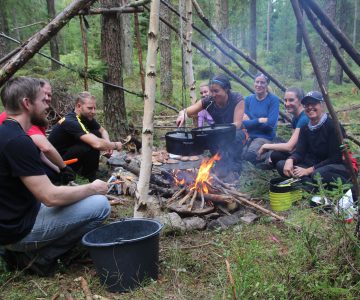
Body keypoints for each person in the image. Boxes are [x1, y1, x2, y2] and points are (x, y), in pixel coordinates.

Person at [0, 77, 110, 276]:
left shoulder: (7, 133)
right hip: (17, 232)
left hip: (16, 218)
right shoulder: (17, 141)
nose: (47, 107)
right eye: (43, 100)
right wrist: (92, 188)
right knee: (100, 205)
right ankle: (40, 258)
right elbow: (50, 197)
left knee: (74, 196)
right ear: (27, 103)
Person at [0, 80, 75, 184]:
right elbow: (46, 147)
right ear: (27, 103)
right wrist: (63, 167)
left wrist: (60, 169)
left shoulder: (22, 125)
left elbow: (39, 152)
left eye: (49, 95)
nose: (47, 104)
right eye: (43, 99)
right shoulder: (18, 135)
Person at [280, 91, 355, 191]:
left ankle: (346, 189)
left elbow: (335, 158)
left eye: (314, 104)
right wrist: (291, 159)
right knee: (281, 165)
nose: (310, 107)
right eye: (307, 105)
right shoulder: (305, 128)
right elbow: (299, 152)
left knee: (318, 174)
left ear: (322, 105)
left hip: (335, 166)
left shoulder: (333, 126)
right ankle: (312, 186)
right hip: (313, 164)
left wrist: (309, 170)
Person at [176, 74, 245, 179]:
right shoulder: (209, 101)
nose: (213, 94)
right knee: (210, 140)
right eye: (211, 91)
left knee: (233, 139)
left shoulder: (237, 99)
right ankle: (219, 166)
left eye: (216, 91)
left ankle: (235, 170)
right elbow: (187, 111)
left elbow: (237, 124)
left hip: (236, 132)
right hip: (218, 133)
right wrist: (183, 115)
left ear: (226, 89)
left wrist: (217, 131)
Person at [49, 91, 123, 182]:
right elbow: (97, 144)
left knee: (96, 134)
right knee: (90, 144)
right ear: (79, 106)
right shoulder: (71, 121)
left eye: (94, 108)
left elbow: (102, 131)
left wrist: (107, 143)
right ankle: (89, 176)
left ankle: (89, 171)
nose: (93, 112)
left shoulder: (85, 117)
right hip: (57, 162)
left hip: (69, 153)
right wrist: (115, 145)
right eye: (90, 108)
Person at [257, 87, 308, 169]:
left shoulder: (304, 118)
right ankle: (270, 160)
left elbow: (290, 147)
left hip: (307, 156)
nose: (287, 104)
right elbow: (294, 145)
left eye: (291, 100)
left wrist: (266, 146)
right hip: (298, 150)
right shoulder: (295, 117)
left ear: (300, 101)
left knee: (279, 161)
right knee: (276, 142)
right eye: (285, 100)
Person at [242, 73, 280, 165]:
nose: (259, 85)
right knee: (239, 155)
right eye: (257, 82)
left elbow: (270, 125)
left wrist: (251, 121)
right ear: (254, 83)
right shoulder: (248, 99)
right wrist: (259, 120)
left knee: (250, 156)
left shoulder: (273, 100)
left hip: (265, 136)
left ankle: (270, 151)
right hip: (249, 135)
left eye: (262, 82)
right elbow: (243, 123)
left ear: (267, 84)